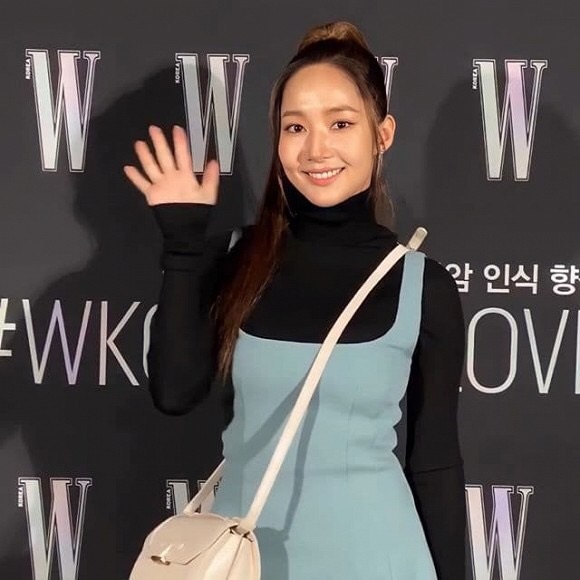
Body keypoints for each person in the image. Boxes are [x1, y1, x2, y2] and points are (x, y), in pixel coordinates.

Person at [124, 20, 466, 580]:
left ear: (382, 134)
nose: (316, 149)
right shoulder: (231, 258)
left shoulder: (422, 284)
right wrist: (183, 249)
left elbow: (435, 465)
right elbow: (175, 392)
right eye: (295, 127)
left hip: (379, 560)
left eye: (340, 123)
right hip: (242, 561)